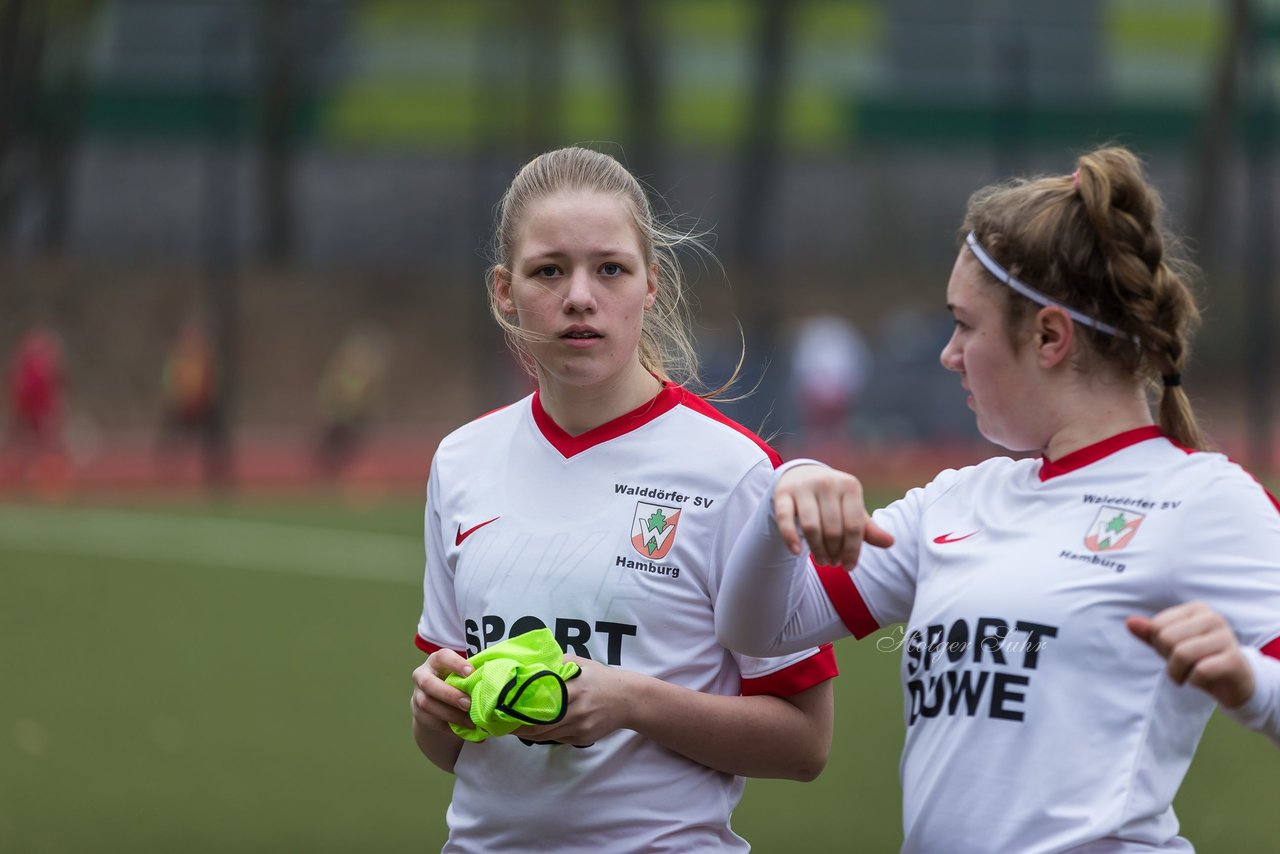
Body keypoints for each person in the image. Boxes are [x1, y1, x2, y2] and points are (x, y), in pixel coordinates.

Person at [716, 146, 1280, 853]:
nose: (949, 354)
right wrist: (783, 505)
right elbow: (758, 630)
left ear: (1048, 335)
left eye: (965, 324)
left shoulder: (1204, 501)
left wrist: (1249, 680)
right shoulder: (956, 503)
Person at [409, 146, 837, 852]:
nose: (580, 295)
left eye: (609, 268)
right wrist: (434, 707)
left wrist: (630, 702)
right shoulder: (461, 461)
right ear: (503, 291)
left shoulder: (734, 474)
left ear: (652, 286)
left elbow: (804, 743)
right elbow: (453, 748)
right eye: (549, 270)